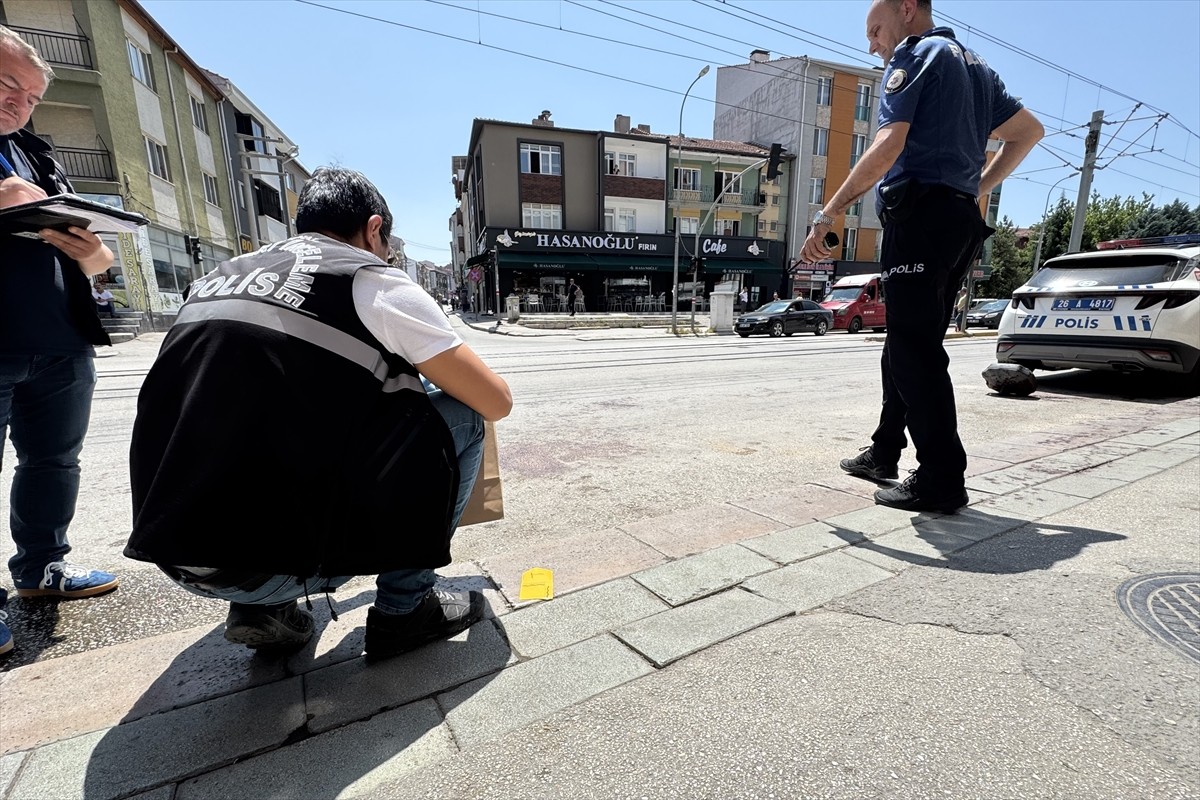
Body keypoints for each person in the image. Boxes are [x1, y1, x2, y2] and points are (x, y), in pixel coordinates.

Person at [125, 166, 513, 657]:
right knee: (463, 417)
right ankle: (406, 608)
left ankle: (262, 610)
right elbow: (495, 400)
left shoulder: (220, 277)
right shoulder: (370, 279)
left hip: (177, 556)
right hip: (268, 569)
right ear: (374, 230)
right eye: (387, 246)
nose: (387, 256)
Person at [800, 0, 1043, 513]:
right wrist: (976, 186)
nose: (872, 44)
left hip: (921, 217)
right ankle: (886, 450)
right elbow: (1028, 132)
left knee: (915, 350)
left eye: (875, 29)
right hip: (955, 221)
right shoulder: (974, 66)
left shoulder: (919, 54)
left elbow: (889, 142)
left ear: (907, 9)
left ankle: (941, 478)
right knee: (909, 340)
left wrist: (830, 212)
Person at [0, 27, 120, 657]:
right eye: (6, 84)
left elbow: (84, 249)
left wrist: (96, 256)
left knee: (53, 462)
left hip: (59, 337)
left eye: (31, 95)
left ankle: (42, 570)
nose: (18, 102)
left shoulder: (33, 152)